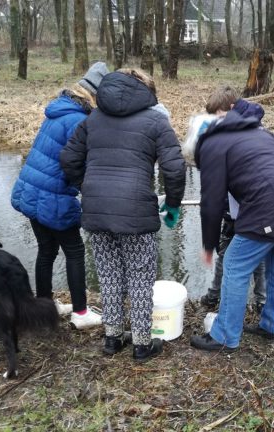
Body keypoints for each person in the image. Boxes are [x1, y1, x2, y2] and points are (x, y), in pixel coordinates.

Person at [186, 86, 274, 352]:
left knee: (234, 265)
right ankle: (273, 325)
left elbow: (212, 201)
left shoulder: (213, 143)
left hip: (271, 206)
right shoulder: (261, 132)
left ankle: (224, 336)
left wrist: (208, 245)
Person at [60, 68, 185, 362]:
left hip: (96, 209)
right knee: (140, 276)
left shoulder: (93, 119)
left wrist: (87, 187)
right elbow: (175, 168)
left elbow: (68, 158)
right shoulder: (156, 120)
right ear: (146, 91)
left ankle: (112, 338)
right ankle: (141, 344)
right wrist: (173, 203)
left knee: (109, 273)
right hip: (135, 210)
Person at [11, 61, 109, 330]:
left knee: (46, 250)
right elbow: (75, 162)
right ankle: (80, 312)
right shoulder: (79, 120)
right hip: (51, 197)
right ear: (96, 95)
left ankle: (44, 307)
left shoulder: (59, 110)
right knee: (75, 251)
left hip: (31, 190)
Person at [198, 87, 266, 313]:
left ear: (232, 109)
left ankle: (259, 301)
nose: (216, 122)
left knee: (252, 259)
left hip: (251, 209)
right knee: (225, 254)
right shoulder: (240, 130)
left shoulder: (251, 131)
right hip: (231, 209)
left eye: (218, 115)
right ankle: (214, 295)